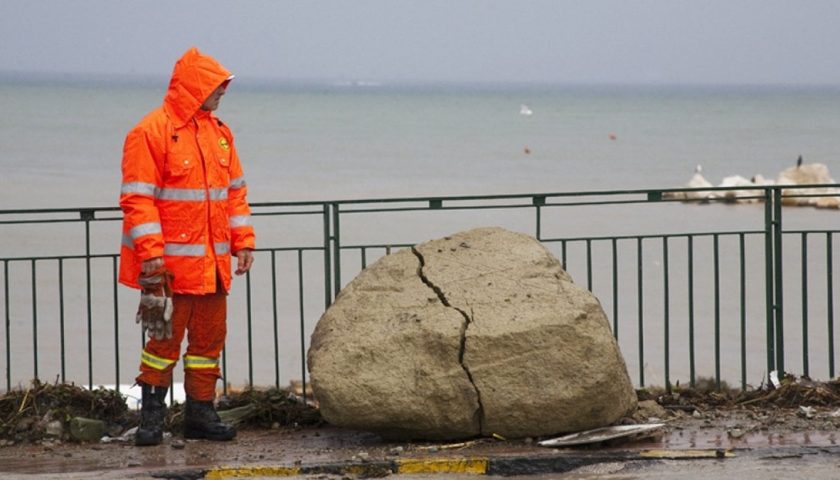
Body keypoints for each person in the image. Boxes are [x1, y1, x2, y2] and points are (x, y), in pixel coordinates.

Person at [118, 47, 256, 446]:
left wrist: (243, 241)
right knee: (162, 344)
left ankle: (200, 414)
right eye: (217, 86)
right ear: (196, 88)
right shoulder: (150, 132)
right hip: (168, 271)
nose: (223, 93)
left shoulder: (220, 134)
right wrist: (151, 255)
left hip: (212, 268)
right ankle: (152, 420)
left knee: (207, 345)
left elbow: (236, 195)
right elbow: (137, 200)